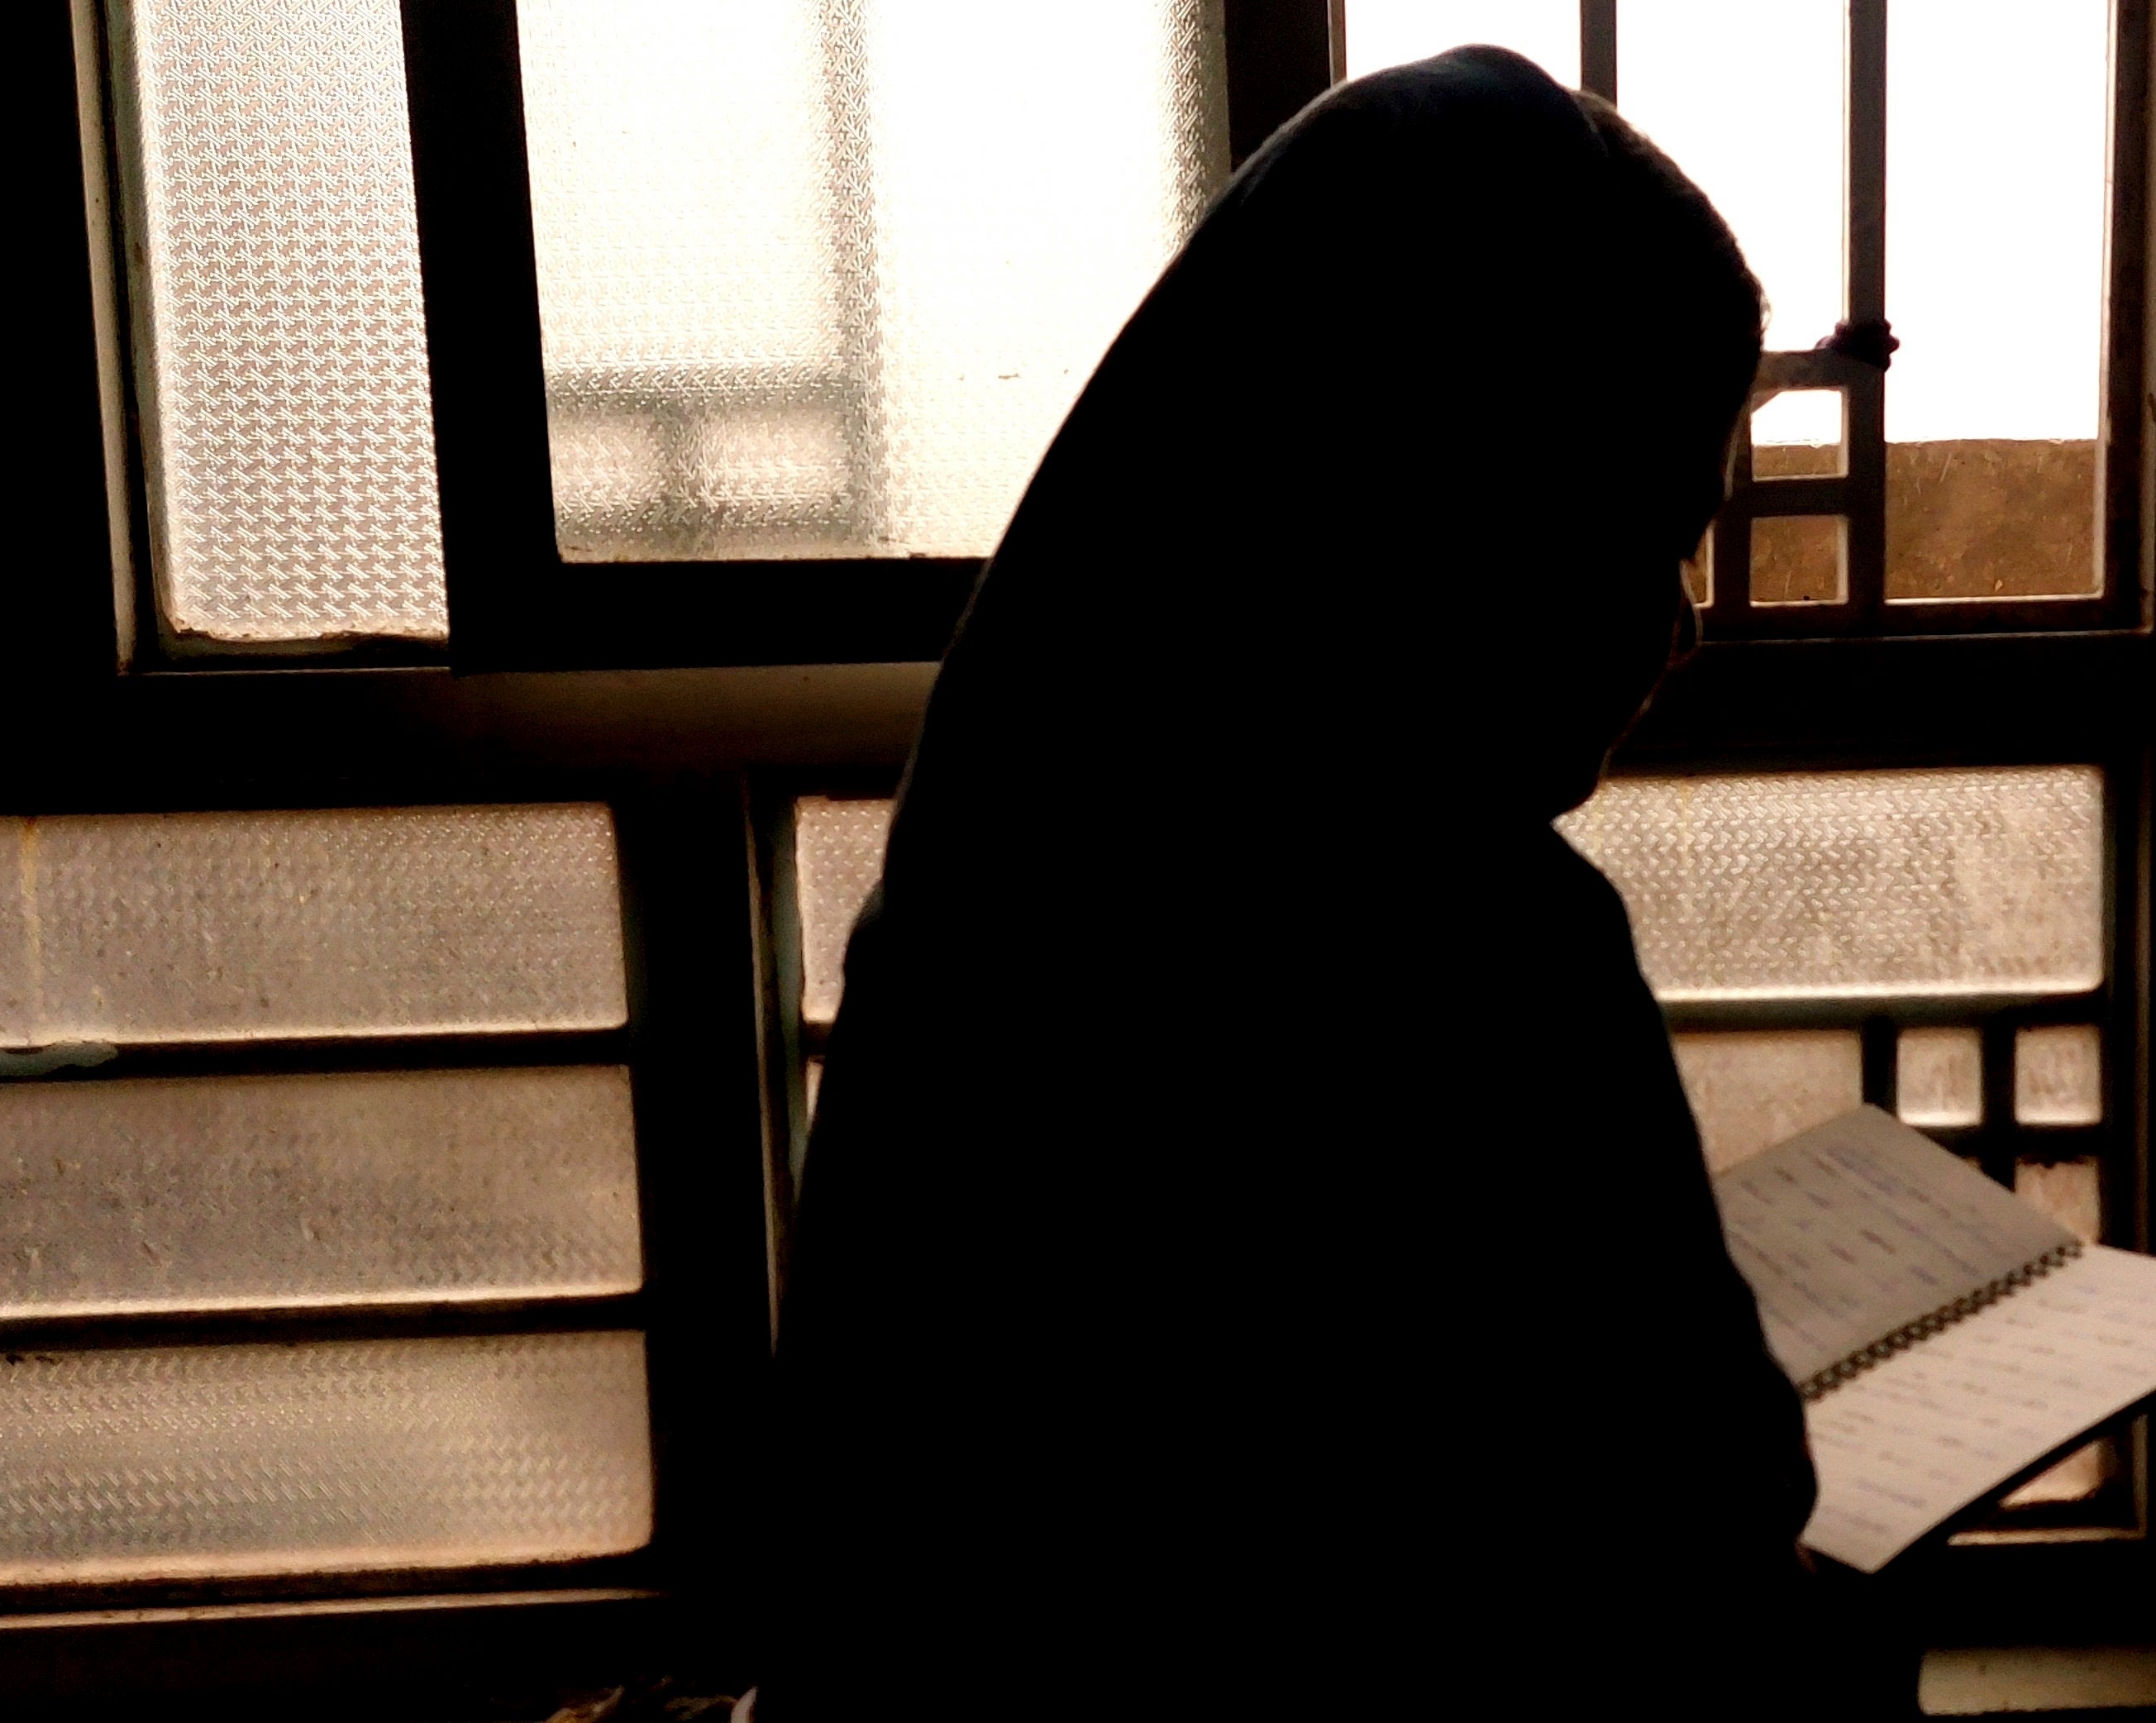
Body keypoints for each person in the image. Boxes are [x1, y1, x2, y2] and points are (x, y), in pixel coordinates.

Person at [771, 46, 1892, 1715]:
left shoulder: (997, 858)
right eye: (1638, 524)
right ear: (1458, 489)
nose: (1677, 625)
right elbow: (1703, 1543)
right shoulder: (1489, 949)